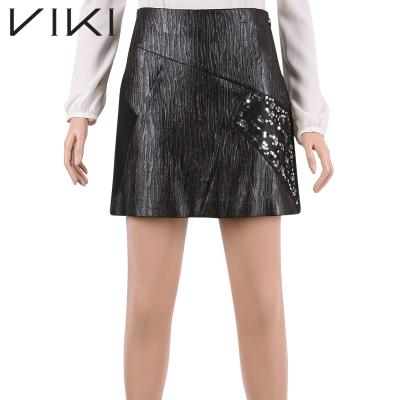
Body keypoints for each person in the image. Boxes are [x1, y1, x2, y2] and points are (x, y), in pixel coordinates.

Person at [63, 1, 333, 399]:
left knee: (263, 304)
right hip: (157, 79)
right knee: (146, 305)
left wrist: (309, 119)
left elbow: (295, 13)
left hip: (252, 78)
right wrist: (80, 109)